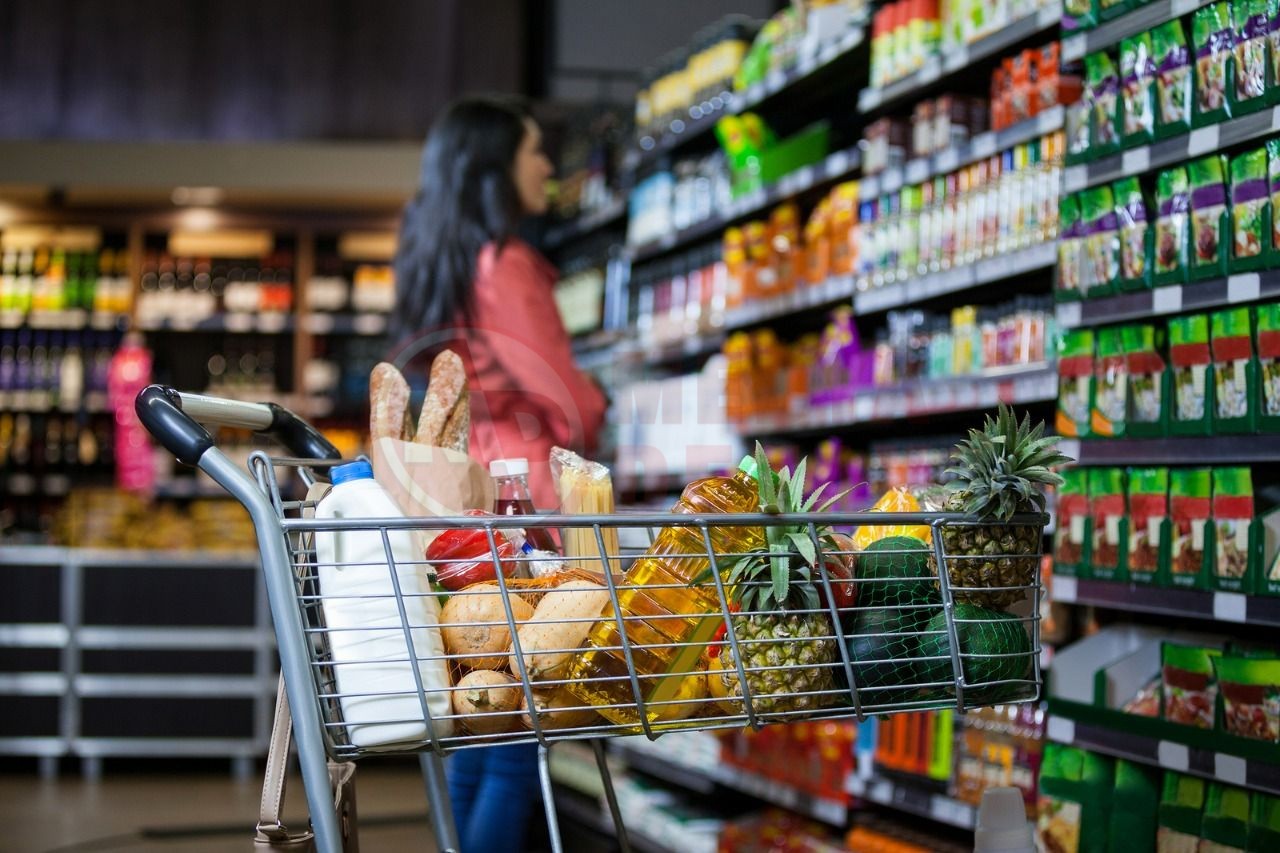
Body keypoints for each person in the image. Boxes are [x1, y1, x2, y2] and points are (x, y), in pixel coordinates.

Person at [391, 95, 607, 852]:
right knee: (519, 737)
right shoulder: (506, 263)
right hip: (526, 510)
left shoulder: (446, 263)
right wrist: (600, 401)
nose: (548, 164)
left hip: (464, 505)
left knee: (477, 717)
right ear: (494, 169)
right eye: (534, 151)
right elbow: (565, 395)